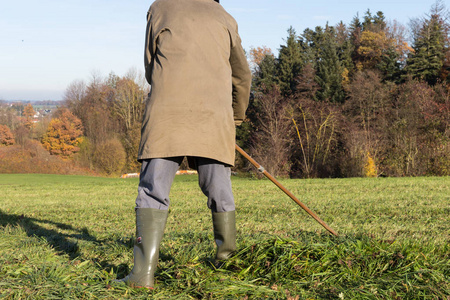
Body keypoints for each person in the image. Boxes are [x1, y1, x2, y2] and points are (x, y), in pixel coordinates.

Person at [115, 0, 252, 289]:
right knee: (220, 190)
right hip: (214, 116)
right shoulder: (223, 16)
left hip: (166, 113)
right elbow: (242, 75)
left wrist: (170, 88)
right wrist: (234, 118)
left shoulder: (159, 8)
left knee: (153, 190)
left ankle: (142, 276)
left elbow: (151, 64)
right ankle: (227, 264)